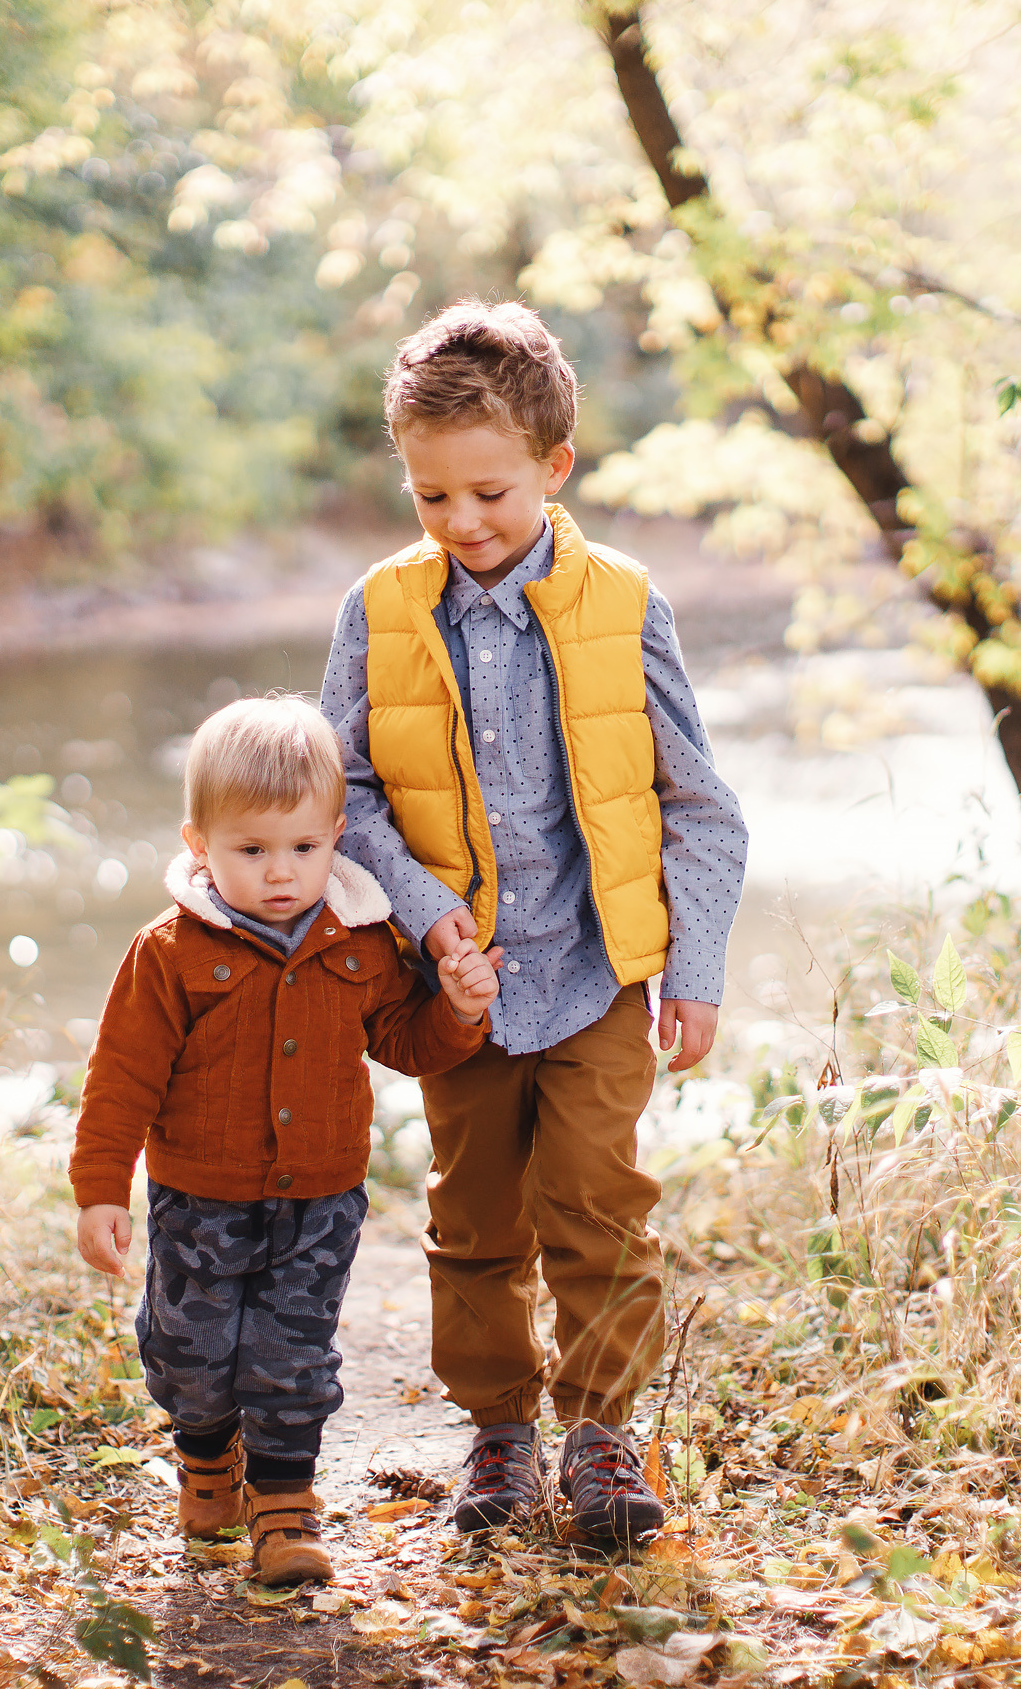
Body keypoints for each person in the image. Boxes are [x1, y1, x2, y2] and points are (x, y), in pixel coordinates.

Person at [319, 300, 749, 1548]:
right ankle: (498, 1431)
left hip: (599, 971)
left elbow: (698, 802)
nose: (462, 522)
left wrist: (694, 967)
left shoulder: (623, 602)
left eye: (489, 493)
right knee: (475, 1217)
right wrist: (425, 917)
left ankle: (600, 1431)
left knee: (596, 1201)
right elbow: (341, 790)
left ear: (556, 467)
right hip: (455, 986)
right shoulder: (380, 609)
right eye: (431, 496)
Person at [69, 695, 501, 1585]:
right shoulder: (170, 951)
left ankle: (284, 1504)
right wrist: (102, 1188)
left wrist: (458, 1012)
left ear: (337, 835)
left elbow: (405, 1042)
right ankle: (206, 1457)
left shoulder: (362, 941)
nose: (281, 873)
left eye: (304, 848)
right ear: (200, 844)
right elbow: (121, 1078)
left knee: (292, 1355)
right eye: (252, 850)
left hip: (320, 1199)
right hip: (199, 1196)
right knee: (189, 1351)